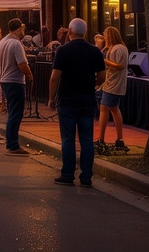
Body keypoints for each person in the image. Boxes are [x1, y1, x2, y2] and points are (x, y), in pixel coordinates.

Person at [49, 19, 106, 187]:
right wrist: (94, 84)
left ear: (70, 32)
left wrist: (51, 98)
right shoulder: (94, 51)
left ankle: (67, 174)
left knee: (68, 138)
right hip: (87, 99)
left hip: (67, 99)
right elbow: (102, 76)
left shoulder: (62, 50)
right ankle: (86, 176)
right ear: (85, 33)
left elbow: (54, 77)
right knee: (86, 138)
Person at [0, 19, 33, 156]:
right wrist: (29, 75)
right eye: (22, 27)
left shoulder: (3, 42)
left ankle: (11, 142)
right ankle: (13, 144)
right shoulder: (16, 43)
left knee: (12, 112)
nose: (23, 30)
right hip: (15, 81)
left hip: (5, 79)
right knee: (16, 114)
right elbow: (22, 63)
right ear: (18, 28)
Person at [96, 26, 129, 155]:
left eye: (105, 35)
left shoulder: (118, 49)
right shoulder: (116, 48)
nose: (104, 38)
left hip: (113, 84)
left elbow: (120, 66)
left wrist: (106, 61)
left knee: (104, 108)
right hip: (111, 83)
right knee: (114, 108)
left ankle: (101, 139)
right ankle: (119, 138)